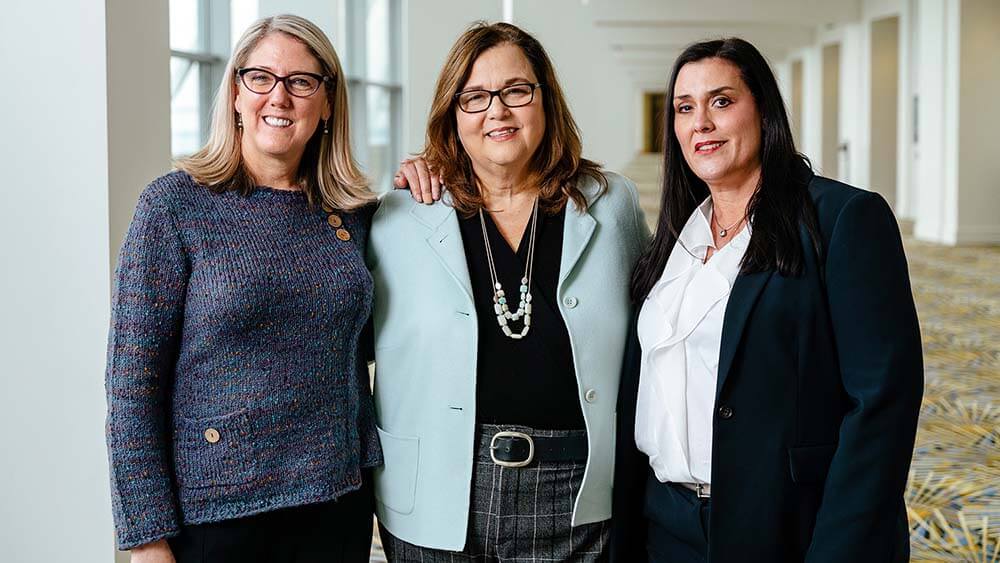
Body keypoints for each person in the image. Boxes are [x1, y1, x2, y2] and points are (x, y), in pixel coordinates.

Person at [611, 38, 924, 562]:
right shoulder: (672, 241)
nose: (700, 123)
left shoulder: (841, 219)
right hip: (664, 523)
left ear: (764, 110)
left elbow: (882, 405)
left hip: (784, 526)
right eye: (685, 108)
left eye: (722, 101)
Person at [368, 22, 649, 562]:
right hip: (437, 492)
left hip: (578, 496)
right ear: (453, 114)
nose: (497, 111)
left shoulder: (612, 207)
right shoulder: (399, 217)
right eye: (474, 97)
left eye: (516, 91)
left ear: (545, 99)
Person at [105, 15, 380, 563]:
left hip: (338, 507)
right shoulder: (173, 207)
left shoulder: (355, 216)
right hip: (217, 519)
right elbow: (131, 390)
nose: (279, 96)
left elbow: (370, 348)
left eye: (302, 81)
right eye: (260, 78)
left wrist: (431, 176)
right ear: (234, 92)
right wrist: (145, 539)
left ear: (327, 104)